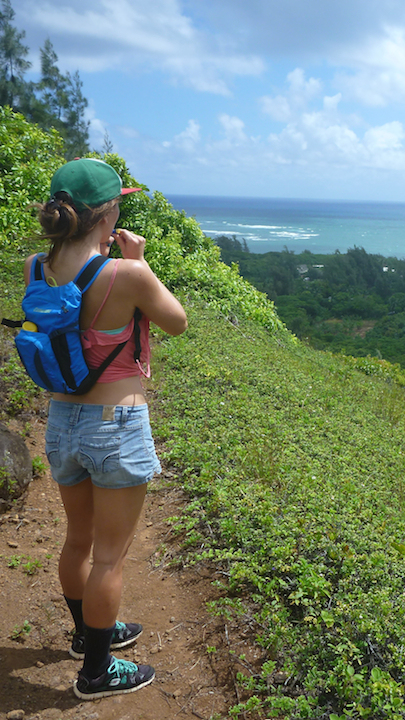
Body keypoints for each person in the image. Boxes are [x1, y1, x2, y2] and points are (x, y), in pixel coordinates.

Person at [28, 158, 188, 700]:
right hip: (115, 424)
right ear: (108, 213)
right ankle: (97, 673)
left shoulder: (38, 267)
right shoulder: (127, 274)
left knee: (78, 541)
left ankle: (86, 635)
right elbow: (177, 321)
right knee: (110, 557)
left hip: (62, 421)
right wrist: (139, 261)